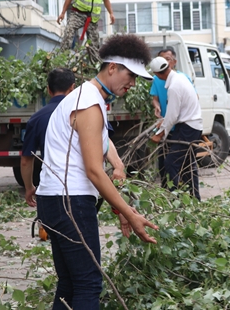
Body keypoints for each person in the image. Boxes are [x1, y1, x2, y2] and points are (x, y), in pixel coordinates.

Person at [36, 34, 158, 309]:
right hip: (71, 203)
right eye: (130, 75)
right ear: (112, 67)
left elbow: (99, 148)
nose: (132, 83)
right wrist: (129, 213)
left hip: (53, 200)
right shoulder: (89, 104)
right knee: (88, 284)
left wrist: (118, 199)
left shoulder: (85, 97)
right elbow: (93, 170)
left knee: (69, 284)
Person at [149, 56, 203, 200]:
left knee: (171, 163)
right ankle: (194, 199)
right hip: (192, 126)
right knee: (188, 165)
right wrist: (164, 122)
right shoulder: (180, 78)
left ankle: (176, 199)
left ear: (157, 74)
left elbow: (172, 116)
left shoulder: (174, 87)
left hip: (187, 127)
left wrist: (159, 134)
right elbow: (176, 112)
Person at [20, 68, 75, 207]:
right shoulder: (84, 112)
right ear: (73, 88)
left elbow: (26, 160)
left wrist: (29, 187)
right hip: (81, 189)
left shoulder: (36, 118)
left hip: (50, 190)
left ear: (48, 90)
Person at [150, 48, 191, 119]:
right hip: (165, 119)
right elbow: (155, 99)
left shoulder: (183, 78)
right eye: (161, 60)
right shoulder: (156, 79)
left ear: (174, 62)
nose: (164, 62)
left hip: (180, 120)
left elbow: (194, 97)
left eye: (167, 59)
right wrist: (157, 106)